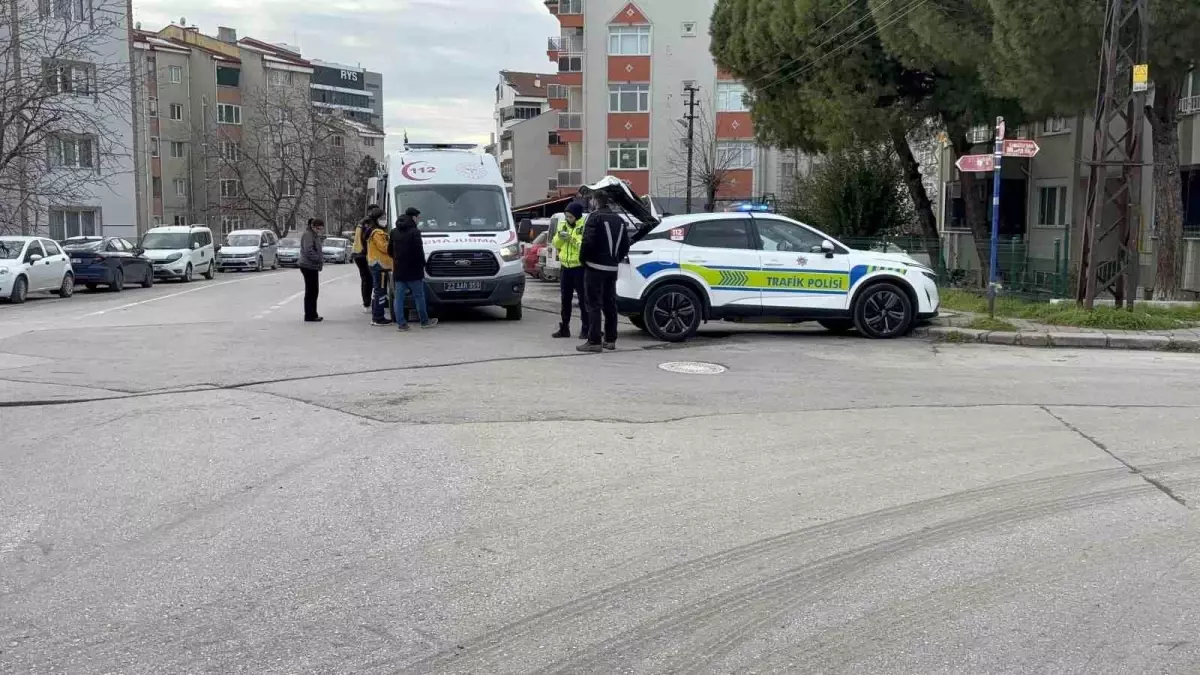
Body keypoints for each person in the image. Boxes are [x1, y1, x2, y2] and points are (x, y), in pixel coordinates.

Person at [577, 191, 629, 353]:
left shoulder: (594, 217)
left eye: (591, 199)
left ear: (595, 201)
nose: (590, 202)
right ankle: (610, 339)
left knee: (593, 304)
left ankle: (594, 341)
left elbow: (587, 242)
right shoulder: (620, 220)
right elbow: (625, 245)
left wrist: (583, 259)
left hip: (594, 267)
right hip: (612, 268)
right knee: (610, 303)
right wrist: (615, 259)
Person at [389, 207, 437, 331]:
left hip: (399, 270)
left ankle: (401, 324)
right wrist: (423, 264)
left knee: (399, 298)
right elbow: (419, 252)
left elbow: (389, 250)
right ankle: (424, 322)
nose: (419, 220)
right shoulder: (415, 232)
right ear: (414, 217)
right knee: (419, 296)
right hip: (414, 270)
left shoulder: (394, 231)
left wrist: (397, 259)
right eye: (418, 217)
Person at [551, 202, 589, 339]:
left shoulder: (583, 226)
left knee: (583, 300)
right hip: (565, 267)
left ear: (577, 216)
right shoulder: (563, 224)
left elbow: (584, 246)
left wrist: (571, 239)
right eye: (567, 216)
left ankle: (586, 328)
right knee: (565, 299)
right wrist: (560, 237)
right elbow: (555, 243)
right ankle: (564, 328)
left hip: (579, 267)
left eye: (571, 216)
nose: (568, 219)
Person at [366, 209, 394, 327]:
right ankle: (378, 317)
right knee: (380, 292)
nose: (385, 220)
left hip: (376, 265)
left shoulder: (374, 231)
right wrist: (393, 244)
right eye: (382, 218)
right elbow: (384, 248)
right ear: (376, 219)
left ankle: (376, 316)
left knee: (378, 291)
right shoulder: (378, 233)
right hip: (380, 266)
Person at [352, 205, 382, 313]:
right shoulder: (368, 222)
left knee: (366, 279)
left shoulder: (362, 221)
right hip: (363, 254)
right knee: (368, 279)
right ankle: (368, 303)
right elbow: (365, 240)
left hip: (357, 253)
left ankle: (368, 303)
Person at [298, 218, 325, 322]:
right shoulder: (308, 235)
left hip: (312, 266)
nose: (319, 231)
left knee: (314, 290)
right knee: (311, 291)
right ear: (313, 226)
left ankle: (313, 313)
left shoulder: (313, 234)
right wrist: (318, 259)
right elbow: (308, 250)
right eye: (318, 228)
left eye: (321, 229)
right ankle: (309, 315)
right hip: (308, 265)